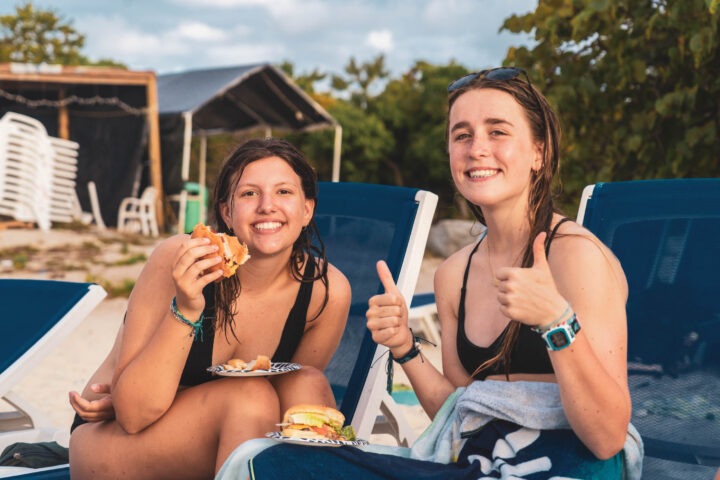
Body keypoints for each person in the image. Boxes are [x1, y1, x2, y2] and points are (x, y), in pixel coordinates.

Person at [228, 68, 639, 479]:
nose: (477, 148)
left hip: (567, 465)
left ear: (539, 153)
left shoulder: (576, 257)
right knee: (266, 459)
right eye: (462, 135)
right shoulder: (453, 275)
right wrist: (405, 346)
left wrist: (556, 321)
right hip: (476, 461)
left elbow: (606, 437)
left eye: (497, 132)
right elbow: (458, 416)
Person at [68, 138, 351, 479]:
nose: (267, 206)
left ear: (307, 210)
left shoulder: (326, 291)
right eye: (249, 193)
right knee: (249, 398)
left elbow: (289, 405)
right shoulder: (180, 260)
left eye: (284, 192)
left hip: (223, 432)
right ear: (226, 213)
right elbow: (133, 414)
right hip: (115, 436)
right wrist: (187, 307)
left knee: (305, 384)